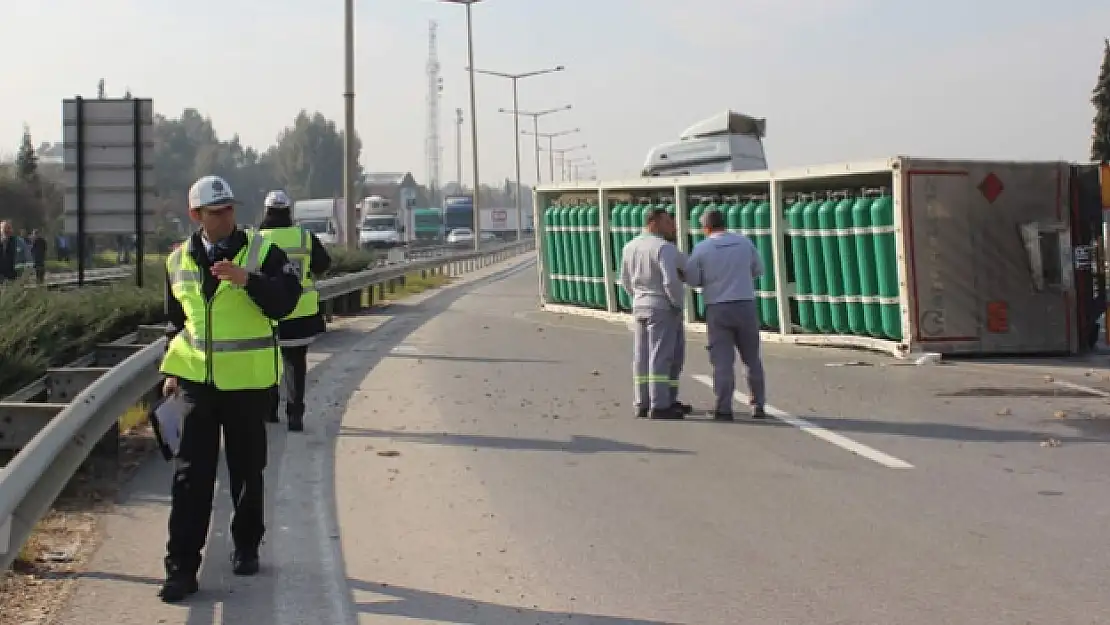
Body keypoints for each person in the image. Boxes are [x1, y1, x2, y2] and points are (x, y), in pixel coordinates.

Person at [157, 175, 302, 602]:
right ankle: (181, 568)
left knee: (246, 470)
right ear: (196, 216)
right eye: (216, 211)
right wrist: (170, 371)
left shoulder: (263, 252)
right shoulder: (177, 261)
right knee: (190, 479)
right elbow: (176, 323)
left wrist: (248, 280)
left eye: (230, 209)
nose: (226, 216)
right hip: (195, 385)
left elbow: (285, 302)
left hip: (247, 384)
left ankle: (246, 544)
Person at [258, 189, 332, 432]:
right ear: (288, 212)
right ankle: (295, 414)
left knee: (268, 361)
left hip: (265, 312)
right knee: (295, 362)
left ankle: (269, 410)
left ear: (266, 212)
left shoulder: (256, 239)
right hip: (301, 311)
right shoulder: (304, 237)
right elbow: (323, 265)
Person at [683, 208, 767, 420]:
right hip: (745, 304)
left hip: (717, 307)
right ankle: (758, 405)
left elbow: (692, 279)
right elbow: (758, 269)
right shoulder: (744, 243)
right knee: (751, 359)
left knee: (722, 361)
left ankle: (723, 407)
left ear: (706, 228)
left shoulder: (702, 248)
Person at [619, 207, 693, 420]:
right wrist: (677, 303)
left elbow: (625, 279)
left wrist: (637, 297)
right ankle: (660, 404)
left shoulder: (629, 246)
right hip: (662, 307)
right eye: (669, 222)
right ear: (655, 223)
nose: (673, 226)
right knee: (662, 356)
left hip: (640, 305)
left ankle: (642, 402)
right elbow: (671, 281)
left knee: (641, 356)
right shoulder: (664, 249)